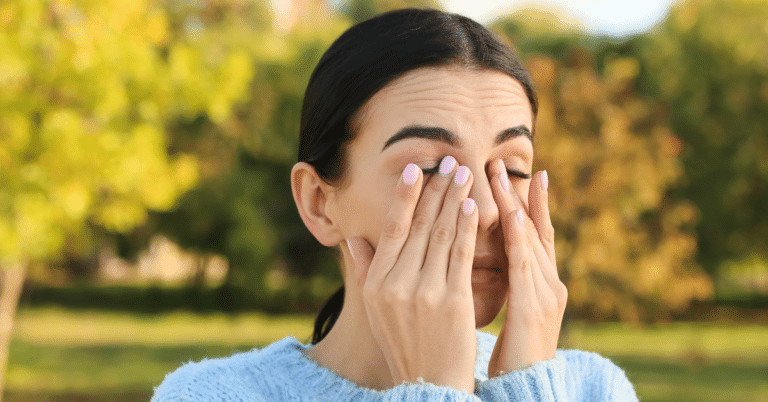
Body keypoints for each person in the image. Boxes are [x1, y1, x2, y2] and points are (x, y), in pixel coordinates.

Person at [151, 8, 638, 402]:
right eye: (431, 169)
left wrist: (531, 387)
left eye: (511, 169)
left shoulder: (592, 389)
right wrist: (434, 393)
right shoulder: (214, 396)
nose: (488, 209)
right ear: (319, 203)